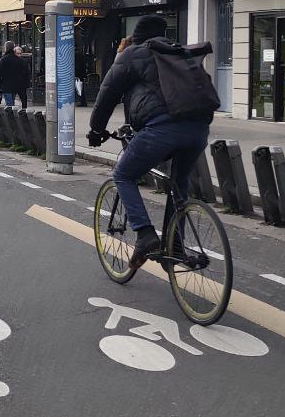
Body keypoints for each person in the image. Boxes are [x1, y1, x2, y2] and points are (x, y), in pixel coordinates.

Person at [87, 14, 219, 271]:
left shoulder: (133, 54)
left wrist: (96, 130)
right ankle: (176, 248)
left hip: (161, 129)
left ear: (137, 36)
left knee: (124, 175)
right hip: (199, 129)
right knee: (178, 186)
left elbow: (108, 93)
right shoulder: (179, 54)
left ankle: (146, 234)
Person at [0, 41, 29, 107]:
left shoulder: (3, 59)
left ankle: (10, 116)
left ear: (6, 48)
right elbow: (24, 73)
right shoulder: (19, 60)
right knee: (12, 103)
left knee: (9, 105)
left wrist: (0, 84)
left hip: (6, 86)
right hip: (16, 86)